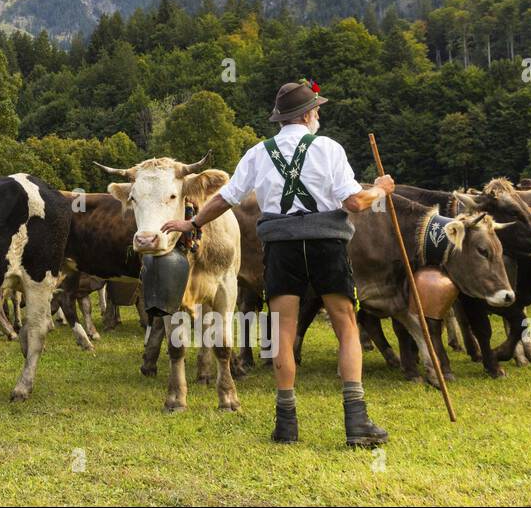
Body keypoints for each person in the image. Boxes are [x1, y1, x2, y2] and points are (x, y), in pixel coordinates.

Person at [161, 80, 394, 448]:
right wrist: (382, 188)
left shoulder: (257, 153)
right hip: (326, 243)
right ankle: (357, 423)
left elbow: (226, 198)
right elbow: (354, 203)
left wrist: (192, 224)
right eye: (316, 109)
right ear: (308, 115)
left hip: (281, 247)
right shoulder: (329, 148)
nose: (317, 114)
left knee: (283, 330)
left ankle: (286, 425)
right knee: (346, 327)